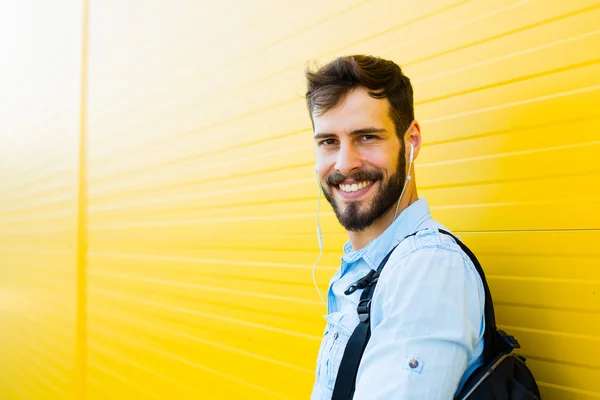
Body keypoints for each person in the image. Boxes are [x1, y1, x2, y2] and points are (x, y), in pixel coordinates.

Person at [305, 55, 485, 400]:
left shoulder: (426, 268)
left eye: (367, 137)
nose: (345, 164)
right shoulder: (369, 266)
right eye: (329, 142)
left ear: (411, 140)